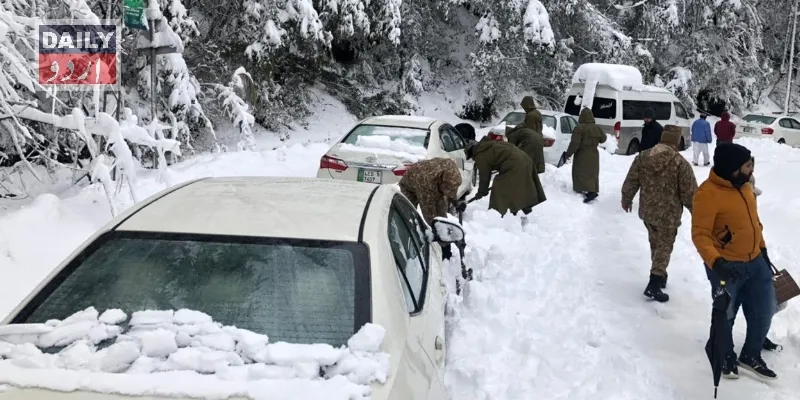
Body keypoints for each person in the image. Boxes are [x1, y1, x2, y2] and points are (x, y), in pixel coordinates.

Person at [691, 142, 777, 380]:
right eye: (748, 165)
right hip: (727, 265)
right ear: (733, 169)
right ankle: (724, 353)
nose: (752, 169)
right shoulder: (707, 194)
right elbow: (700, 235)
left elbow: (754, 223)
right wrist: (716, 262)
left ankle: (751, 354)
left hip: (756, 261)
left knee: (764, 310)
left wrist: (762, 249)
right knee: (726, 314)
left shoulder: (745, 186)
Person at [621, 125, 697, 302]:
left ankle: (660, 274)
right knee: (664, 246)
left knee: (655, 242)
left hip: (647, 211)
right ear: (676, 140)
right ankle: (654, 283)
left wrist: (626, 198)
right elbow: (690, 192)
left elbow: (632, 179)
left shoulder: (643, 156)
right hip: (668, 215)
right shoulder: (680, 163)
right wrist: (698, 212)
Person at [398, 157, 464, 260]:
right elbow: (430, 216)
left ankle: (446, 249)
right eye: (447, 189)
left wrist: (456, 202)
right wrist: (440, 235)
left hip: (434, 185)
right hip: (410, 187)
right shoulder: (425, 182)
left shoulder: (451, 170)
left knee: (442, 217)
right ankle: (406, 246)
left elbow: (450, 189)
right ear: (441, 181)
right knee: (408, 217)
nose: (449, 192)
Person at [465, 137, 544, 219]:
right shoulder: (487, 146)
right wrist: (482, 192)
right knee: (515, 187)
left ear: (471, 152)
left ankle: (496, 214)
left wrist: (481, 192)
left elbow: (484, 177)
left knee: (499, 186)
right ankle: (524, 209)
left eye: (471, 157)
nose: (473, 159)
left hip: (515, 163)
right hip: (524, 159)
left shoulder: (480, 155)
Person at [564, 108, 607, 203]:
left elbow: (575, 143)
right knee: (592, 173)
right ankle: (592, 189)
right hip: (594, 153)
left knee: (581, 171)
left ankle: (586, 190)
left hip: (582, 153)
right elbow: (603, 139)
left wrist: (568, 154)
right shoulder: (597, 128)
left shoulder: (579, 128)